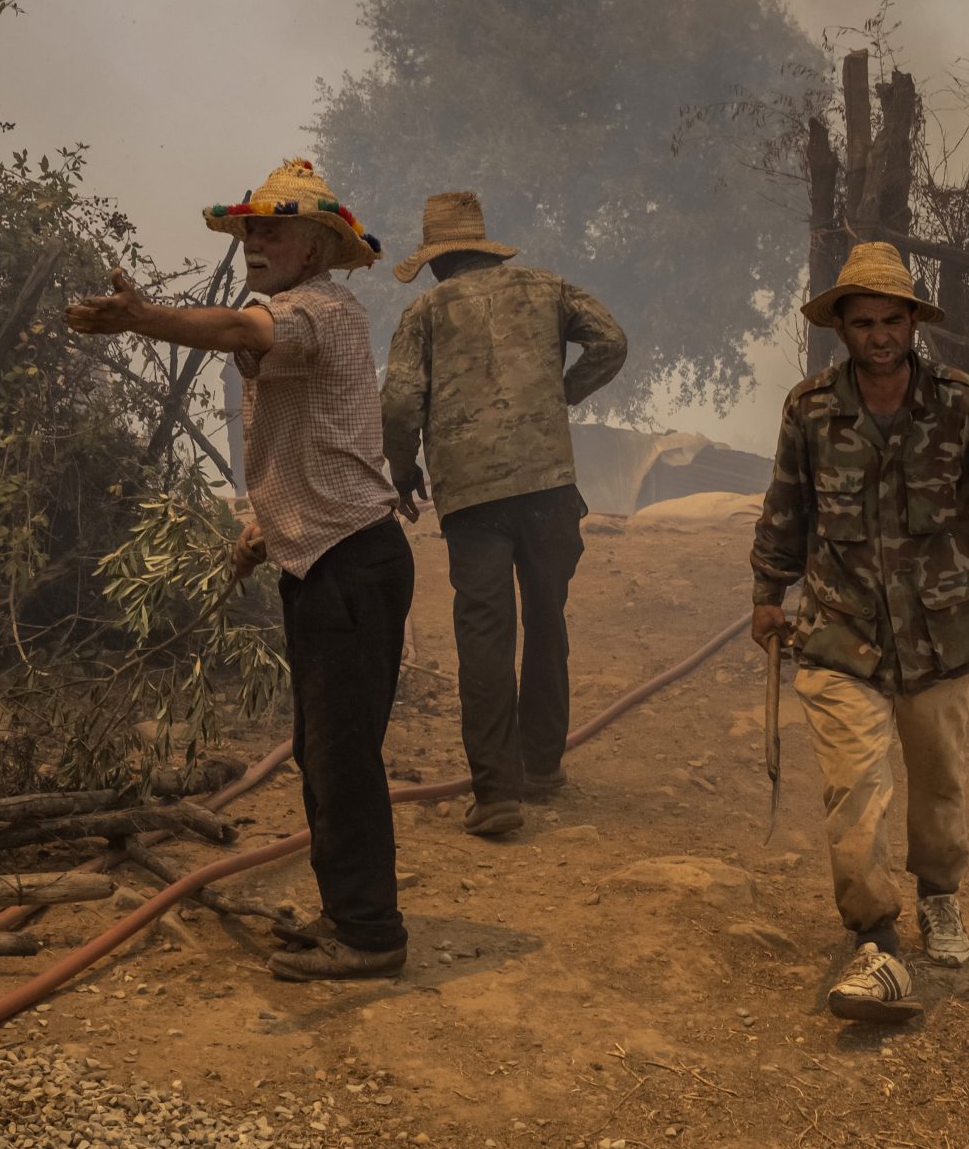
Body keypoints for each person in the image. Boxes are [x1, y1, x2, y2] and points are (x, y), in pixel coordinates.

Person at [67, 158, 413, 982]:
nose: (256, 240)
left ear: (317, 246)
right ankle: (348, 915)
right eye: (250, 228)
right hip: (335, 553)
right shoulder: (308, 309)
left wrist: (142, 317)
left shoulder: (312, 311)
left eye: (275, 228)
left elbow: (239, 333)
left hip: (349, 566)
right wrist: (269, 522)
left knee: (340, 756)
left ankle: (369, 935)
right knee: (322, 749)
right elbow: (312, 434)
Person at [750, 241, 969, 1022]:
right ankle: (875, 935)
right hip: (842, 639)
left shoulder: (958, 401)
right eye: (863, 321)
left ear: (914, 322)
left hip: (938, 642)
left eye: (892, 320)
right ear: (841, 327)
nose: (879, 334)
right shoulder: (809, 409)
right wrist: (768, 592)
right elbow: (786, 505)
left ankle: (940, 897)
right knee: (856, 791)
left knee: (939, 791)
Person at [381, 191, 627, 838]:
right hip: (548, 487)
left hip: (471, 500)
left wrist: (404, 472)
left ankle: (496, 794)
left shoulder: (425, 311)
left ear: (436, 260)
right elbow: (611, 341)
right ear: (483, 247)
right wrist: (558, 397)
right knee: (547, 620)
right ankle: (542, 768)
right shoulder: (548, 288)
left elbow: (402, 400)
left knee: (485, 635)